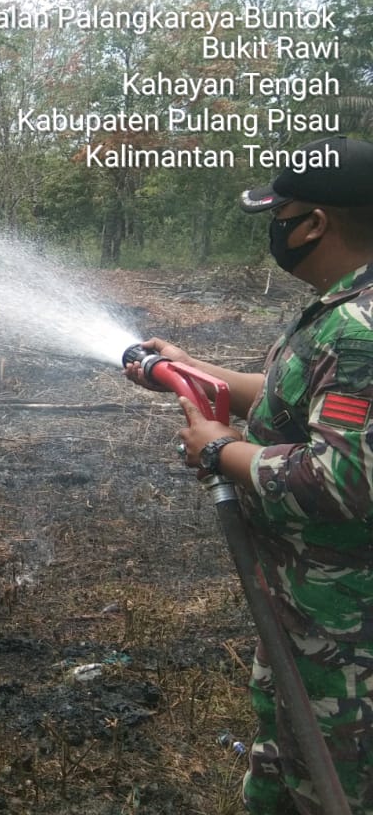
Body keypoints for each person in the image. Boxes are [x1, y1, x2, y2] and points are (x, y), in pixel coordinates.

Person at [125, 135, 373, 815]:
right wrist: (192, 371)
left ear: (314, 223)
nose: (274, 229)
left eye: (279, 214)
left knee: (330, 786)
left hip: (345, 625)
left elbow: (342, 479)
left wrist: (220, 450)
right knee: (284, 765)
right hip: (308, 609)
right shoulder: (343, 311)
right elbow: (294, 400)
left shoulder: (358, 328)